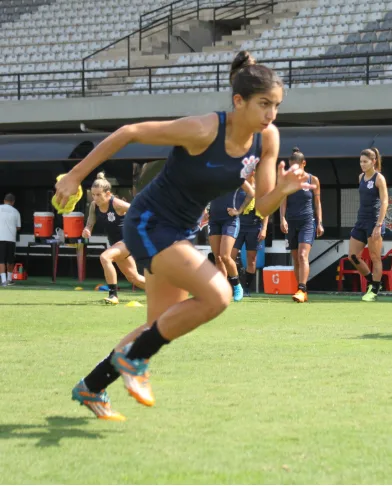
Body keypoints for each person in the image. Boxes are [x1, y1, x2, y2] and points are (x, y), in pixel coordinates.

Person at [58, 51, 313, 421]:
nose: (271, 114)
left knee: (159, 325)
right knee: (218, 294)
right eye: (263, 105)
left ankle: (92, 386)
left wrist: (286, 189)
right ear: (238, 101)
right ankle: (136, 360)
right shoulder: (203, 129)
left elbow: (263, 207)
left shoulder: (267, 139)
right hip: (148, 221)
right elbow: (129, 133)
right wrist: (74, 176)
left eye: (276, 105)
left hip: (180, 230)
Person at [82, 173, 146, 304]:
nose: (95, 198)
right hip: (116, 244)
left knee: (105, 257)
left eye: (99, 194)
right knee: (134, 278)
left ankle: (113, 295)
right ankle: (166, 292)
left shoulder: (116, 203)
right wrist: (87, 229)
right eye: (93, 194)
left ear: (108, 194)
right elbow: (91, 220)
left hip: (129, 240)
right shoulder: (94, 206)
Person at [280, 147, 323, 303]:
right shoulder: (287, 180)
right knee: (296, 259)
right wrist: (282, 219)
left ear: (304, 163)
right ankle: (301, 289)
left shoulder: (313, 180)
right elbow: (283, 201)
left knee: (303, 255)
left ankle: (302, 289)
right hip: (291, 222)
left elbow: (317, 203)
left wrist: (320, 222)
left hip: (307, 221)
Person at [347, 148, 388, 302]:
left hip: (374, 221)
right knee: (352, 256)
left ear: (373, 162)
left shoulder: (379, 178)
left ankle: (375, 290)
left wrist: (379, 224)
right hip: (361, 221)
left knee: (375, 257)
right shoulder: (361, 177)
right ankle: (372, 281)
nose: (362, 165)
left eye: (365, 162)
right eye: (360, 162)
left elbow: (384, 202)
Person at [207, 178, 255, 302]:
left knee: (225, 256)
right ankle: (223, 291)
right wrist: (205, 210)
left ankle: (237, 286)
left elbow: (251, 193)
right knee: (217, 257)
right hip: (213, 220)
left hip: (230, 220)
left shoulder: (234, 174)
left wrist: (238, 211)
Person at [230, 172, 268, 297]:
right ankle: (234, 286)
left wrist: (264, 229)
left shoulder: (260, 188)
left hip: (254, 226)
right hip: (238, 225)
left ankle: (246, 288)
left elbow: (266, 210)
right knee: (230, 256)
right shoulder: (238, 186)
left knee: (251, 259)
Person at [0, 193, 21, 287]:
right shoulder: (16, 212)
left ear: (4, 201)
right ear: (13, 202)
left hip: (0, 238)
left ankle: (4, 281)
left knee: (1, 260)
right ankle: (9, 279)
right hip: (11, 239)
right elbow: (18, 227)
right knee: (10, 260)